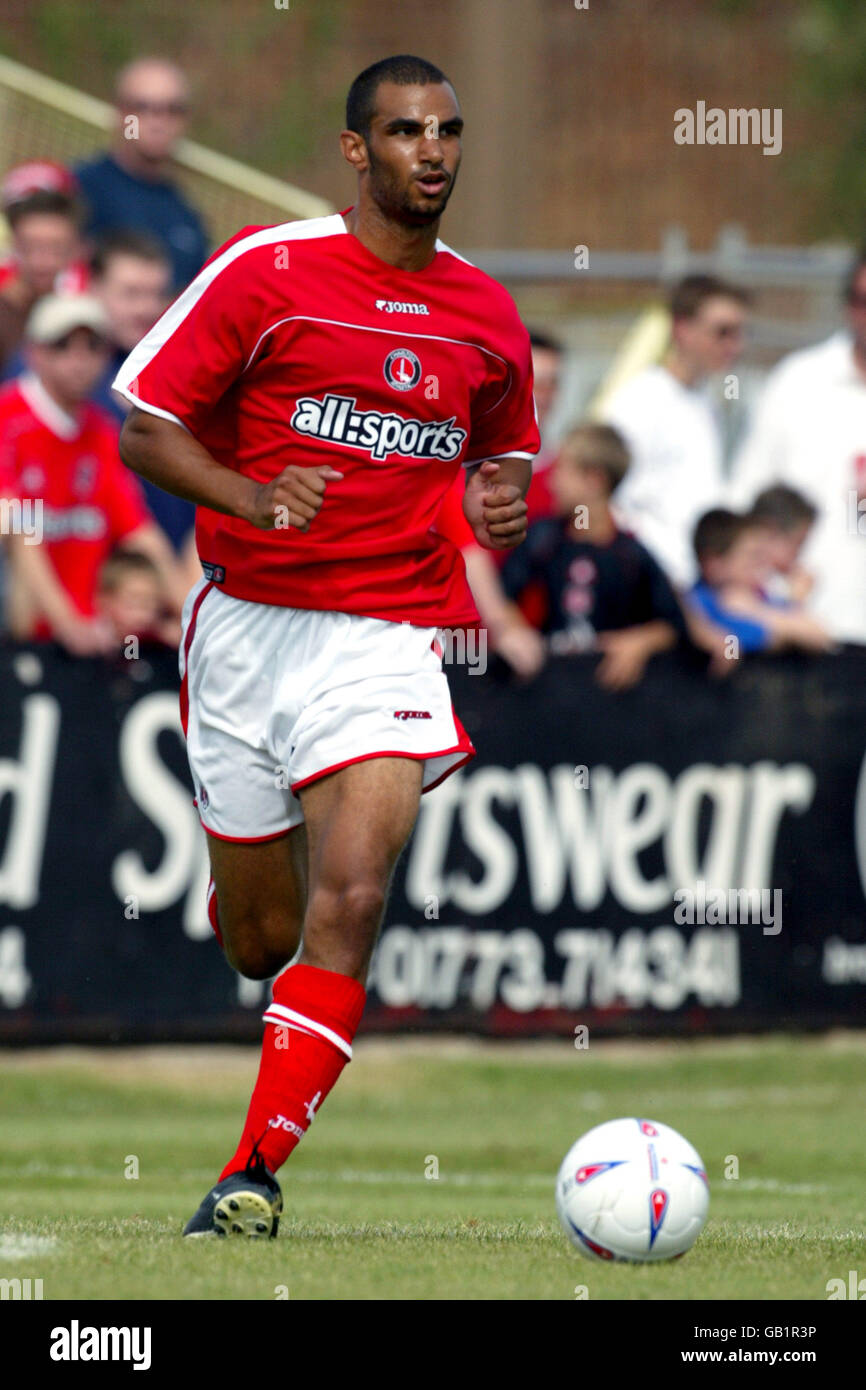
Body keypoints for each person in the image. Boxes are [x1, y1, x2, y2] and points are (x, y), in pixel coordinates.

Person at [114, 53, 540, 1238]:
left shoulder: (485, 310)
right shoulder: (268, 270)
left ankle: (248, 1174)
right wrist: (252, 500)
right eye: (406, 131)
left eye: (448, 130)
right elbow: (145, 427)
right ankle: (236, 879)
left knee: (351, 896)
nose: (433, 151)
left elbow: (499, 448)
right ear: (357, 151)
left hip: (392, 636)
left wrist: (499, 501)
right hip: (247, 631)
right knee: (260, 938)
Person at [0, 292, 188, 653]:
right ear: (34, 353)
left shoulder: (101, 433)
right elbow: (20, 532)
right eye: (63, 346)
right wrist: (68, 624)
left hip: (93, 636)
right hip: (31, 636)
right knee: (19, 520)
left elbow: (139, 533)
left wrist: (191, 619)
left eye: (92, 346)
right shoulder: (9, 420)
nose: (79, 359)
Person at [729, 250, 866, 645]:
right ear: (847, 306)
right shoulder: (800, 382)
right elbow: (747, 496)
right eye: (863, 301)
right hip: (800, 631)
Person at [498, 423, 684, 689]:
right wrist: (515, 632)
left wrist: (640, 642)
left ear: (594, 480)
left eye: (562, 470)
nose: (552, 481)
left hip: (608, 698)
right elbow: (502, 596)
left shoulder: (631, 555)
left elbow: (672, 623)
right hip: (548, 691)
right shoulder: (543, 538)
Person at [602, 274, 750, 589]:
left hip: (696, 580)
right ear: (682, 329)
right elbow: (609, 499)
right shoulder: (639, 401)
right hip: (656, 584)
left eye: (738, 333)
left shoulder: (707, 402)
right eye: (722, 332)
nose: (734, 346)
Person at [89, 230, 199, 585]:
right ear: (93, 288)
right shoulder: (63, 377)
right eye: (131, 294)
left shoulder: (182, 374)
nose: (147, 309)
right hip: (102, 595)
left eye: (156, 294)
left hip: (179, 589)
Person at [75, 57, 208, 292]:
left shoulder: (187, 218)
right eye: (144, 108)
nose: (159, 121)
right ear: (120, 113)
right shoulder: (79, 190)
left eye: (173, 110)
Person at [686, 508, 832, 656]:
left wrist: (755, 610)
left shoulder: (757, 598)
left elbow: (819, 635)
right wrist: (786, 632)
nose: (762, 566)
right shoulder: (698, 604)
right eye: (752, 557)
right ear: (714, 565)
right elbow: (739, 645)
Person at [0, 175, 86, 378]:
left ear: (76, 250)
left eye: (56, 249)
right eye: (30, 247)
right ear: (15, 245)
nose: (42, 262)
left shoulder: (81, 319)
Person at [748, 484, 819, 605]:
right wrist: (795, 601)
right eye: (798, 544)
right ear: (769, 532)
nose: (798, 554)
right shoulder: (739, 581)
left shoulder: (765, 584)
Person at [96, 548, 178, 648]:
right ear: (105, 602)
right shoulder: (92, 649)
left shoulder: (160, 646)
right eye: (132, 604)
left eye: (148, 605)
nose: (141, 617)